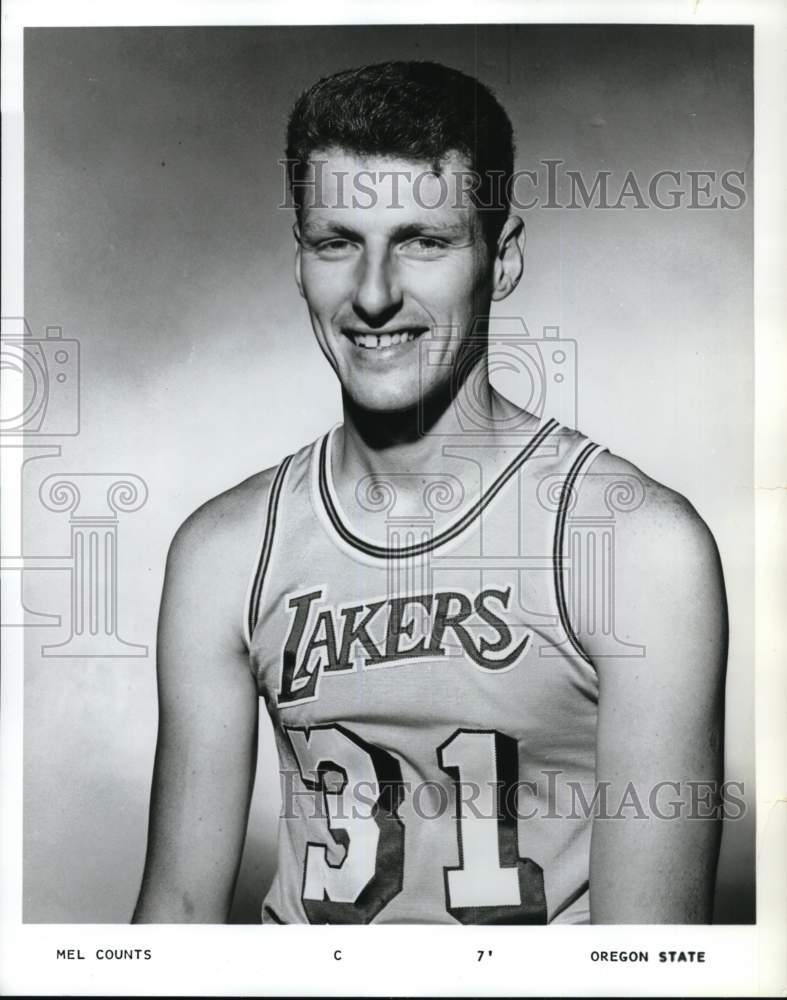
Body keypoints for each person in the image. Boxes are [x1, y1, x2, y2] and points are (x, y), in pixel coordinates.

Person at [132, 61, 727, 925]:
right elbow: (176, 917)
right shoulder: (223, 553)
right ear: (299, 259)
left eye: (423, 240)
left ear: (502, 257)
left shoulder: (636, 548)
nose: (373, 295)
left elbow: (646, 959)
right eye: (337, 241)